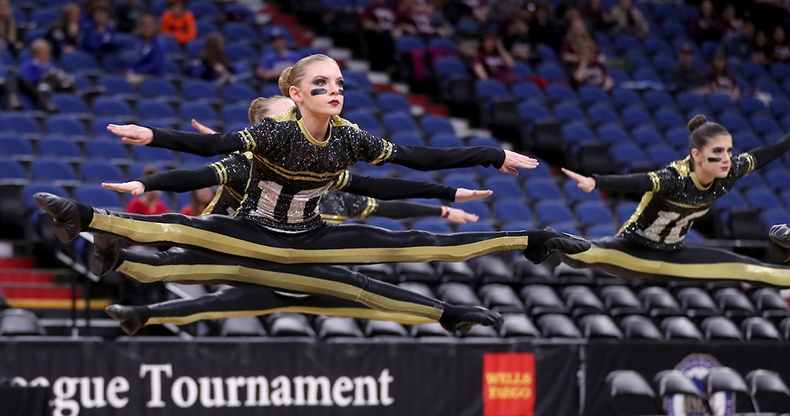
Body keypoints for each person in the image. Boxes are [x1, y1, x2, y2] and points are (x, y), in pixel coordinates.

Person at [34, 54, 591, 332]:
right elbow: (205, 164)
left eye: (340, 84)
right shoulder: (264, 140)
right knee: (188, 239)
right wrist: (150, 147)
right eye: (321, 84)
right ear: (295, 96)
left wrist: (482, 161)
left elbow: (399, 173)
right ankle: (92, 223)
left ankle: (530, 240)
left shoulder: (346, 142)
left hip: (311, 238)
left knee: (414, 245)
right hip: (251, 237)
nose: (335, 91)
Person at [103, 96, 490, 335]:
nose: (294, 125)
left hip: (305, 268)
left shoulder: (326, 177)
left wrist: (441, 205)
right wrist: (146, 183)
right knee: (196, 273)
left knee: (373, 288)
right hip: (250, 252)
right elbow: (201, 170)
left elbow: (383, 195)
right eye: (284, 120)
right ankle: (136, 297)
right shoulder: (245, 161)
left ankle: (448, 315)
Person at [559, 114, 790, 287]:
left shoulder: (729, 171)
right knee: (582, 255)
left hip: (671, 253)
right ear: (697, 155)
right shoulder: (676, 178)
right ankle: (545, 240)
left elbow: (766, 153)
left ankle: (780, 245)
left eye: (729, 151)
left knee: (757, 271)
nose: (727, 159)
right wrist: (596, 182)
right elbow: (638, 181)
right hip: (633, 248)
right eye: (718, 152)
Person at [126, 14, 166, 83]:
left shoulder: (158, 43)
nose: (146, 29)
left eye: (149, 26)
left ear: (155, 27)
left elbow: (155, 65)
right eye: (144, 26)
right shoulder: (141, 44)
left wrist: (136, 71)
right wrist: (130, 70)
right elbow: (136, 61)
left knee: (129, 82)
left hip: (153, 77)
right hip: (140, 75)